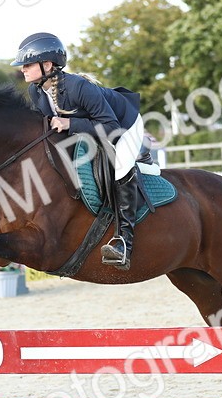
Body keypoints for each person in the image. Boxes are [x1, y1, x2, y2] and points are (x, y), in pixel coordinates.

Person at [11, 32, 144, 270]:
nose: (23, 69)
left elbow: (111, 126)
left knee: (121, 167)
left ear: (48, 64)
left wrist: (69, 124)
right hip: (91, 128)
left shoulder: (78, 87)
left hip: (124, 124)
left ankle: (124, 241)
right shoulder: (36, 90)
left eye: (28, 64)